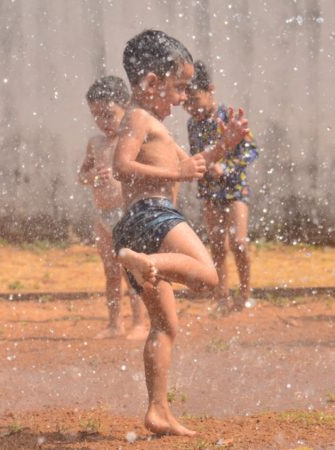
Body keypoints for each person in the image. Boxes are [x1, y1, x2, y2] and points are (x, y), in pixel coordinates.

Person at [112, 30, 249, 436]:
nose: (183, 99)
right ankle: (150, 263)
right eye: (178, 88)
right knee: (208, 277)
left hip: (133, 231)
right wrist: (176, 172)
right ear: (152, 83)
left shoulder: (157, 125)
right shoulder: (139, 117)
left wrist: (224, 145)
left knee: (165, 326)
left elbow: (194, 165)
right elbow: (122, 166)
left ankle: (158, 411)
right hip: (153, 217)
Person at [184, 60, 259, 313]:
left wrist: (225, 168)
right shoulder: (192, 124)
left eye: (194, 99)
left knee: (238, 241)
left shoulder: (228, 116)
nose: (189, 107)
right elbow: (197, 154)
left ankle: (246, 293)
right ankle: (222, 296)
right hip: (209, 191)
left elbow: (251, 149)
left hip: (235, 189)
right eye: (185, 102)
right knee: (217, 244)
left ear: (210, 90)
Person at [79, 75, 148, 340]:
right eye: (96, 116)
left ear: (126, 107)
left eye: (108, 115)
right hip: (103, 216)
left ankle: (140, 323)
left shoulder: (131, 141)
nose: (102, 122)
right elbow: (81, 176)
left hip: (127, 215)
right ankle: (114, 323)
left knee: (132, 271)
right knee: (110, 272)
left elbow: (143, 174)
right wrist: (93, 177)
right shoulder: (95, 144)